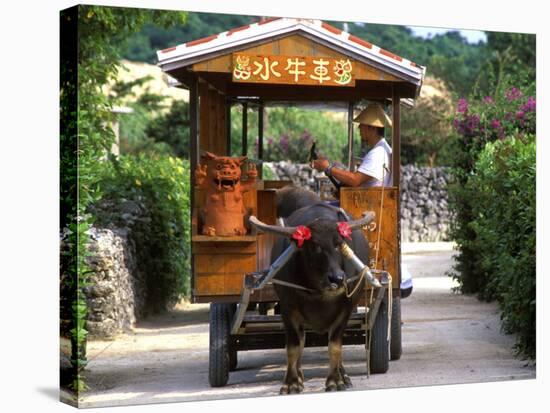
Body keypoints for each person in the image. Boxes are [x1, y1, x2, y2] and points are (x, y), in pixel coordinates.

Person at [312, 103, 392, 187]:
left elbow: (355, 180)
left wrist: (328, 168)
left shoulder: (378, 153)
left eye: (362, 124)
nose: (359, 127)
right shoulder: (382, 149)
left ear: (372, 128)